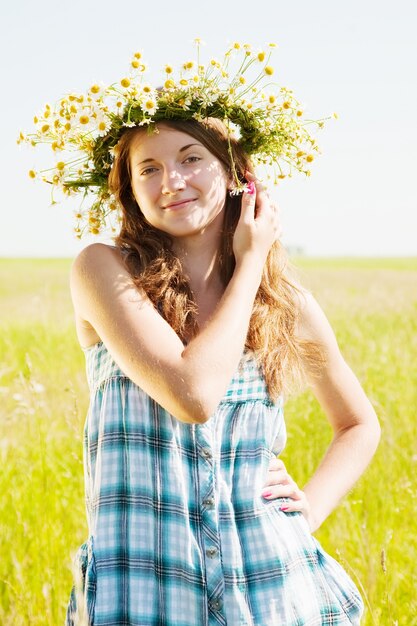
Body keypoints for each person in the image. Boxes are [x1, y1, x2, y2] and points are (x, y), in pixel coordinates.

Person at [22, 43, 380, 625]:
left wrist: (305, 512)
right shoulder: (104, 271)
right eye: (150, 169)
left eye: (191, 159)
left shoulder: (285, 304)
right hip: (143, 586)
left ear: (237, 174)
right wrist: (252, 258)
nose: (173, 181)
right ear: (129, 190)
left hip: (269, 586)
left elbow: (359, 424)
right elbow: (192, 394)